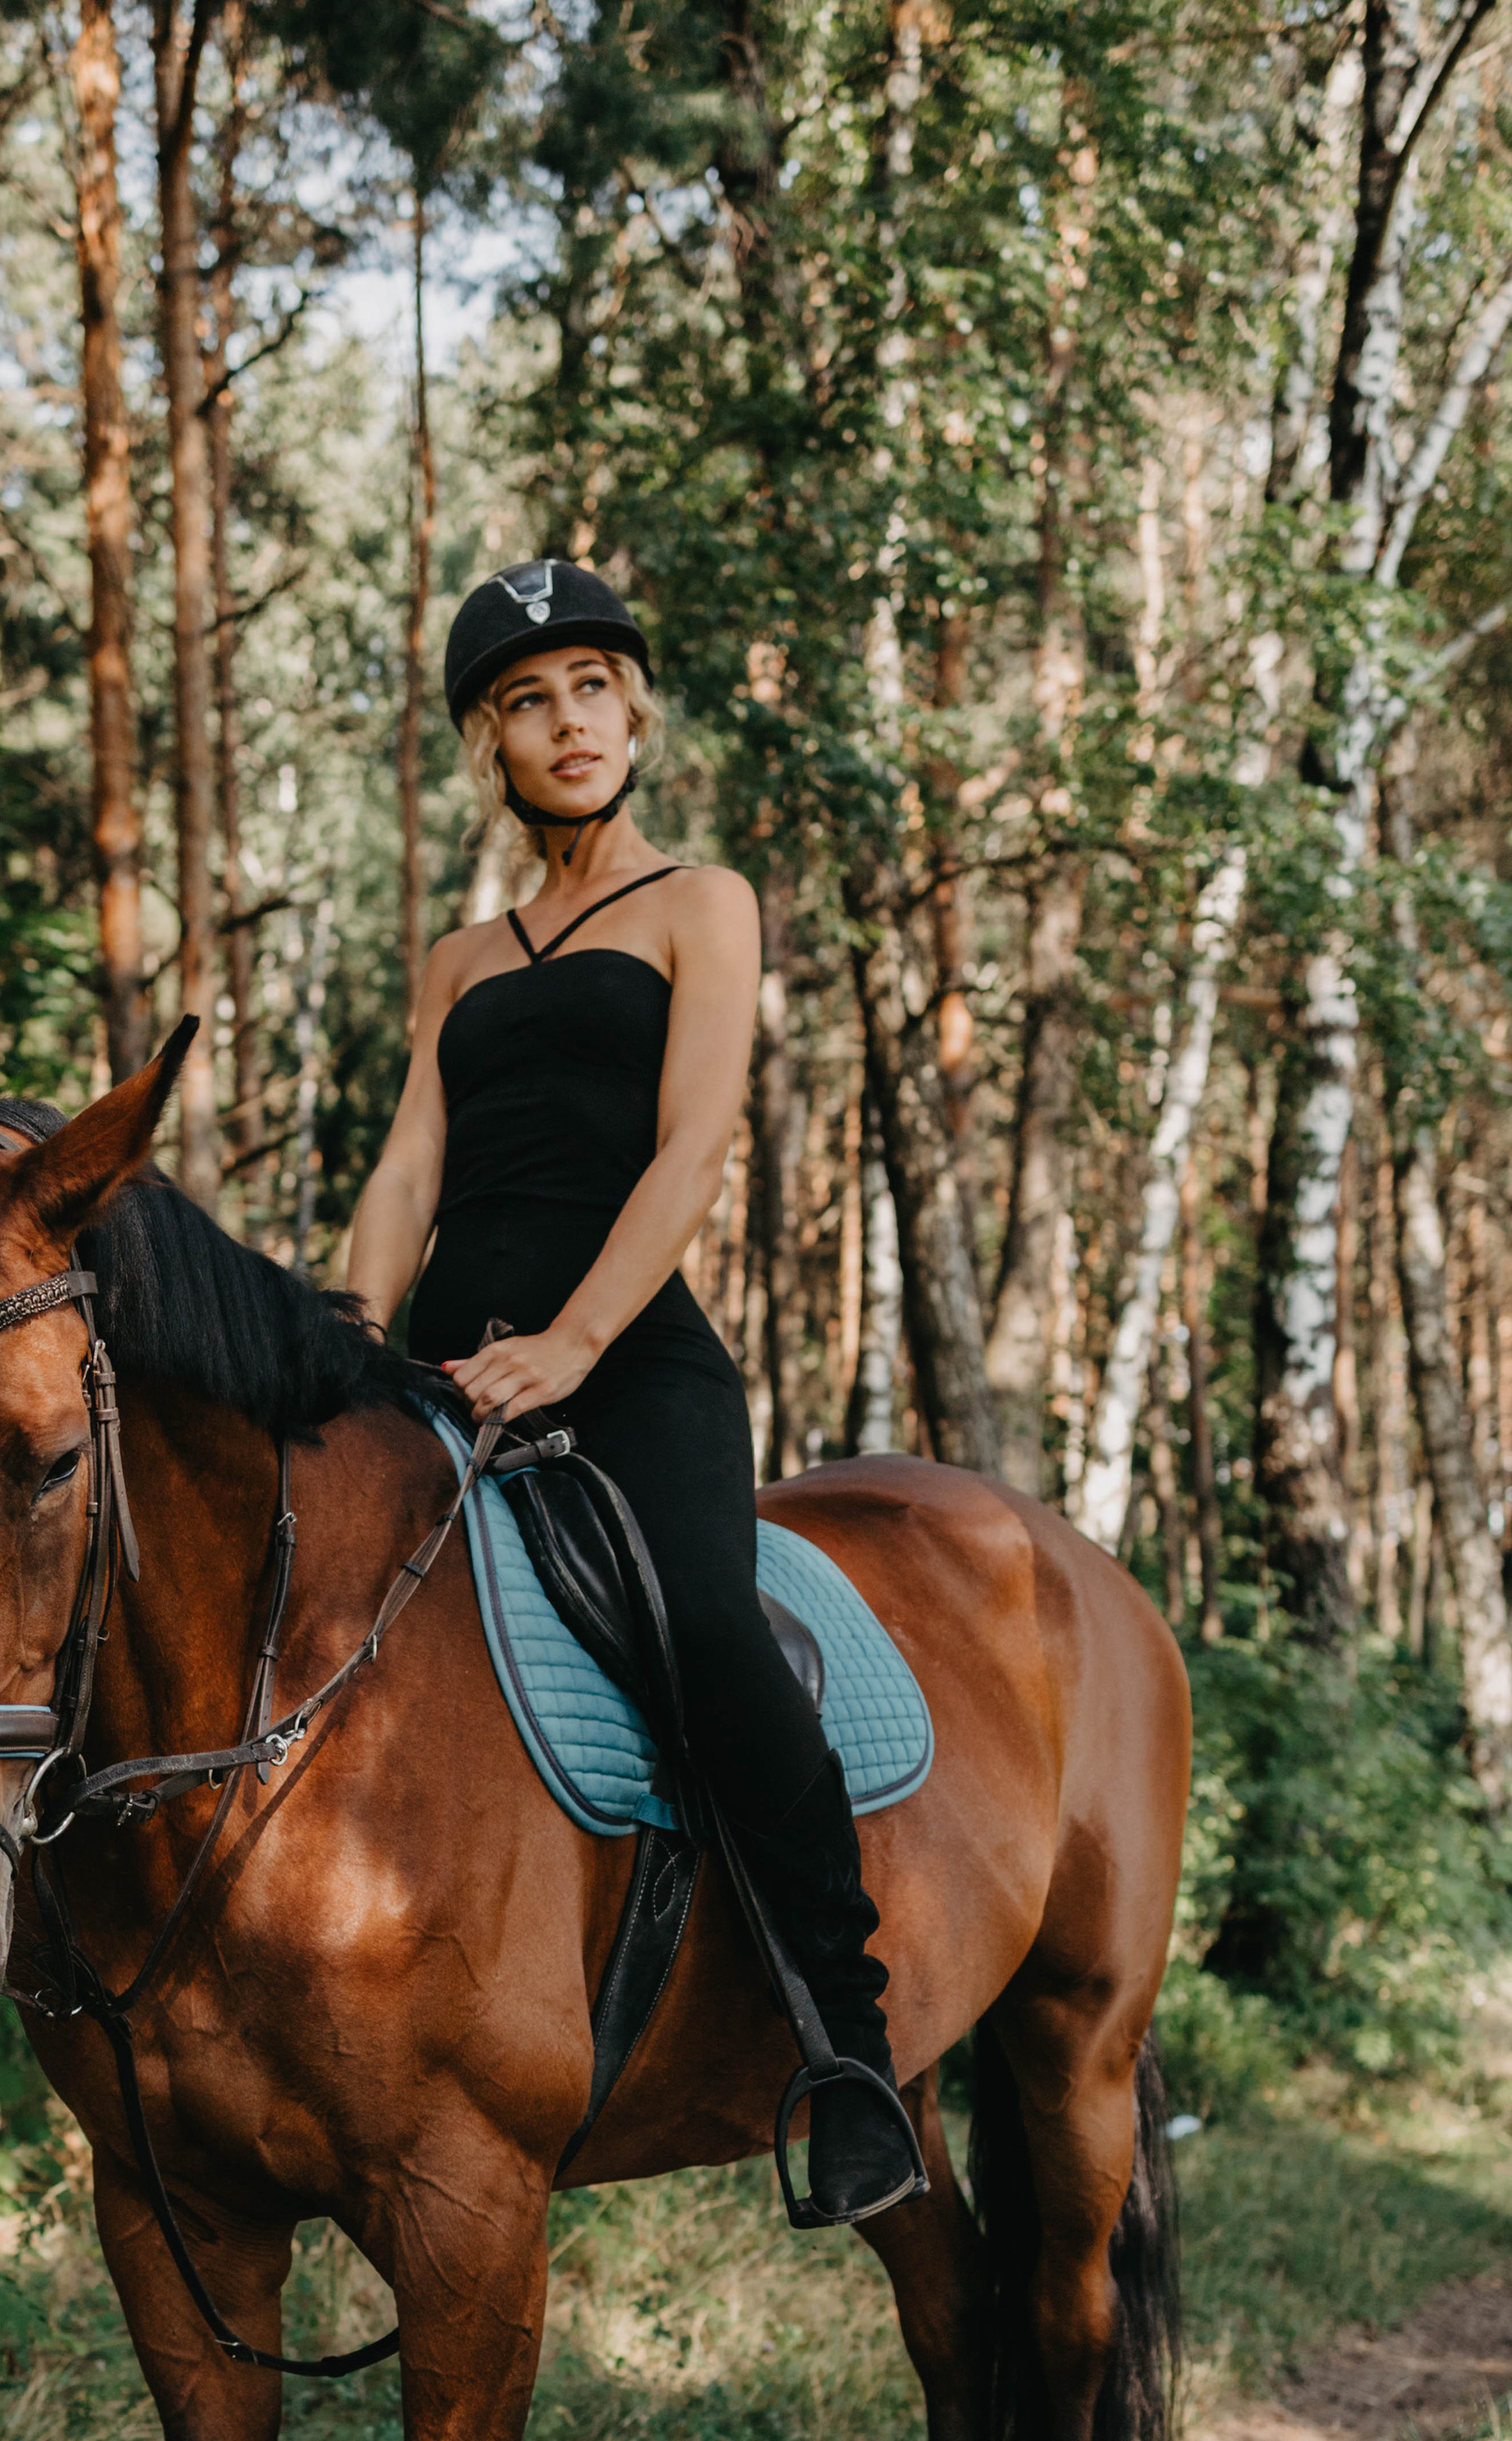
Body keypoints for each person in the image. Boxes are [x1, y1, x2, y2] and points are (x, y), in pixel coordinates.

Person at [345, 556, 926, 2226]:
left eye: (590, 687)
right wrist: (347, 1328)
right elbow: (409, 1166)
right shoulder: (462, 958)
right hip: (452, 1351)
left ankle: (849, 2053)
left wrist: (576, 1346)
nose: (566, 720)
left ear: (634, 712)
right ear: (493, 747)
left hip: (627, 1355)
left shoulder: (700, 903)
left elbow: (692, 1149)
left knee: (713, 1633)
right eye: (527, 701)